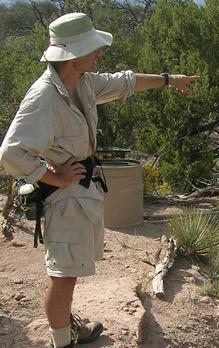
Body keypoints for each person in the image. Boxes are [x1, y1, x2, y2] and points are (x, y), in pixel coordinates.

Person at [0, 12, 199, 348]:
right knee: (62, 278)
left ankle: (68, 327)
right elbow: (10, 154)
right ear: (73, 54)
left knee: (70, 272)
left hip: (80, 191)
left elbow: (127, 82)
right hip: (63, 197)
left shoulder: (83, 82)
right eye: (93, 47)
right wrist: (52, 175)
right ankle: (61, 341)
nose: (99, 52)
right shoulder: (45, 97)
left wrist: (169, 79)